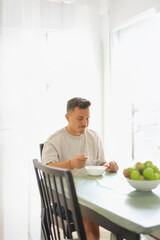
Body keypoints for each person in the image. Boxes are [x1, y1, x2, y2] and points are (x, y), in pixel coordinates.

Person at [42, 97, 119, 240]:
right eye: (80, 118)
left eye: (88, 118)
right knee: (89, 216)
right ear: (67, 117)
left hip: (93, 195)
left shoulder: (93, 137)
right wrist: (70, 164)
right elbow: (47, 171)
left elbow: (100, 163)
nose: (85, 123)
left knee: (119, 211)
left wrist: (108, 166)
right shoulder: (54, 140)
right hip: (64, 200)